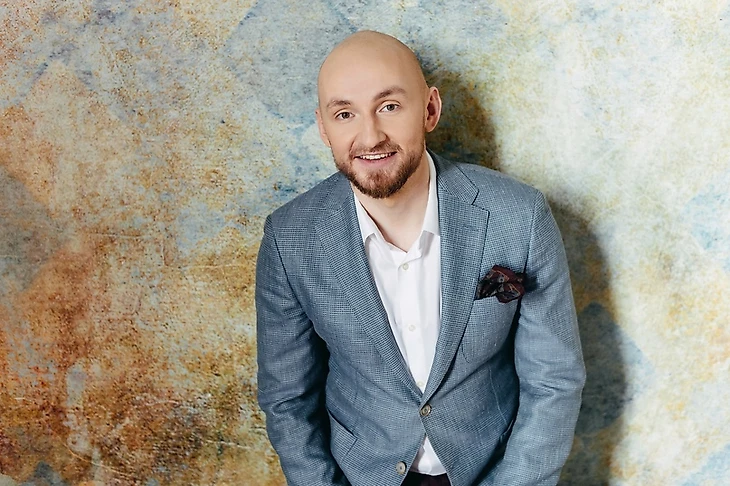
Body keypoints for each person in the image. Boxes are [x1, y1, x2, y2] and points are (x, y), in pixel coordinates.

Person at [255, 30, 585, 486]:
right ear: (323, 127)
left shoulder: (520, 216)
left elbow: (553, 380)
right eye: (345, 114)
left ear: (430, 109)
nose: (370, 135)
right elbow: (287, 399)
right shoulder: (288, 238)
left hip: (492, 471)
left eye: (389, 106)